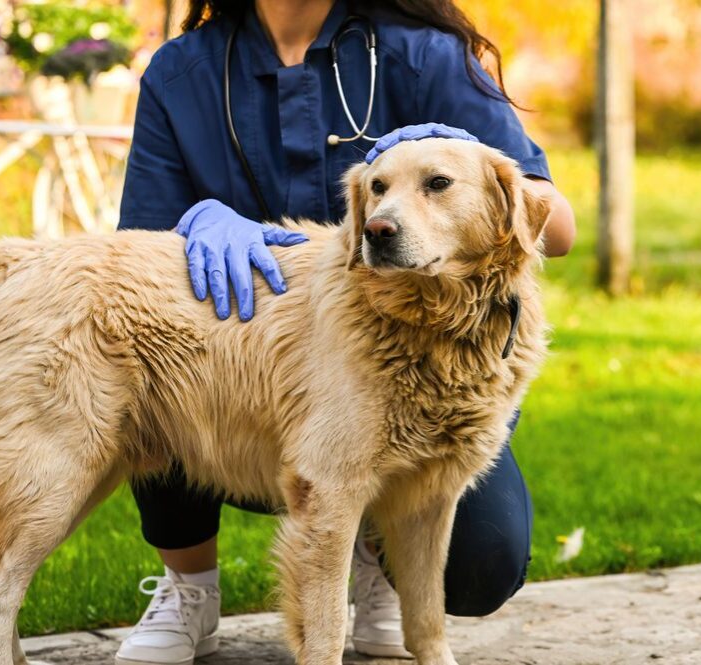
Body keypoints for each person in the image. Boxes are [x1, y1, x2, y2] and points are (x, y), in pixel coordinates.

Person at [115, 1, 576, 663]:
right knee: (160, 332)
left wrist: (463, 160)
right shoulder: (182, 71)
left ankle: (377, 560)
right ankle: (189, 586)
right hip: (243, 355)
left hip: (408, 357)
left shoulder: (424, 53)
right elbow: (140, 247)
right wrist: (199, 220)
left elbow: (553, 230)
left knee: (482, 562)